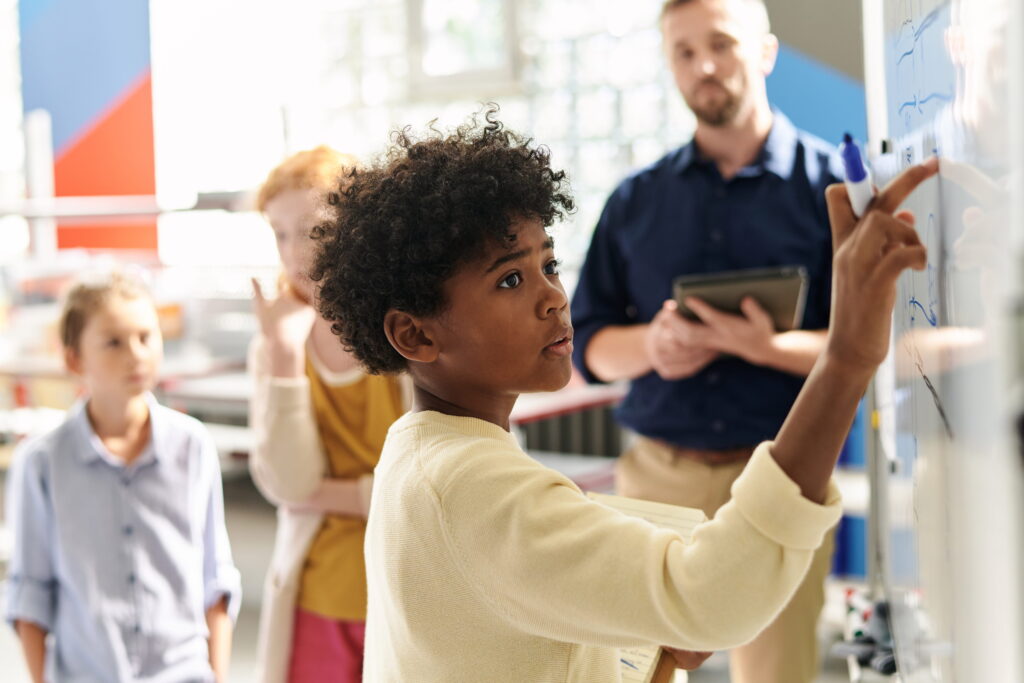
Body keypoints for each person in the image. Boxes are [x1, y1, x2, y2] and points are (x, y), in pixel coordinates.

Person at [309, 106, 937, 682]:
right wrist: (846, 358)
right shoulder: (473, 487)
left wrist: (655, 646)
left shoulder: (420, 450)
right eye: (509, 280)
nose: (552, 297)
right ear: (415, 334)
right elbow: (711, 598)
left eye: (548, 265)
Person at [570, 1, 844, 679]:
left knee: (779, 673)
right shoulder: (634, 200)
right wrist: (653, 346)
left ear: (767, 52)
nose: (705, 67)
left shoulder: (833, 193)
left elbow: (862, 347)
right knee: (636, 672)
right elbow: (589, 345)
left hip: (784, 475)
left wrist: (766, 347)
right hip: (657, 480)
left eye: (721, 44)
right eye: (685, 53)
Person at [4, 271, 240, 683]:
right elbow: (30, 594)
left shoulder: (192, 446)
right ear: (74, 359)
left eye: (146, 337)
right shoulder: (41, 463)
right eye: (113, 342)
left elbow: (215, 579)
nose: (136, 355)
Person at [248, 146, 408, 683]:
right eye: (279, 234)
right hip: (316, 598)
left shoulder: (408, 330)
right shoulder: (275, 343)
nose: (295, 254)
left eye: (313, 230)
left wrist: (338, 495)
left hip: (408, 595)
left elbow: (441, 487)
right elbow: (291, 484)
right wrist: (282, 356)